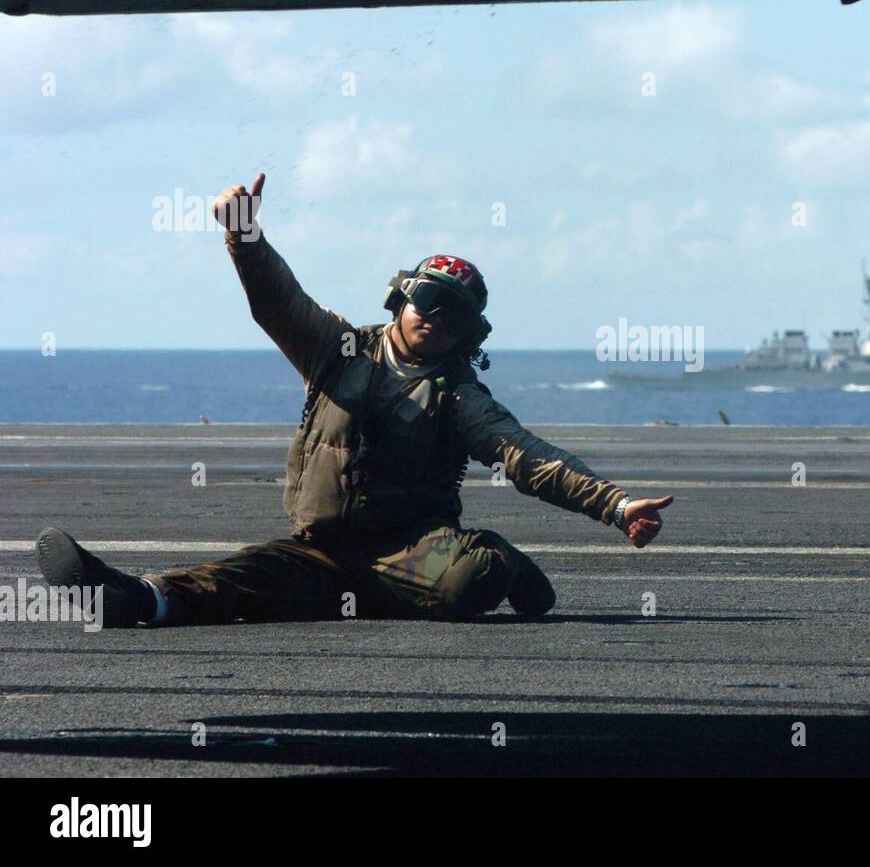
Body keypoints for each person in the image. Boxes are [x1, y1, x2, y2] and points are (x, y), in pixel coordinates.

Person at [37, 173, 672, 628]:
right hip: (322, 544)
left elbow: (527, 456)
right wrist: (245, 236)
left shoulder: (459, 397)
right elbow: (278, 299)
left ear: (466, 334)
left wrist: (616, 506)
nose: (437, 320)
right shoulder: (334, 349)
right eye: (429, 302)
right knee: (239, 580)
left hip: (411, 549)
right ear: (402, 299)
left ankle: (497, 556)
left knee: (467, 582)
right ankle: (133, 599)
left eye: (454, 316)